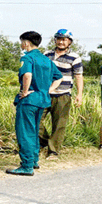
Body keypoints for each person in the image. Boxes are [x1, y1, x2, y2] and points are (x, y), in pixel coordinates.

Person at [6, 31, 63, 176]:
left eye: (21, 42)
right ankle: (34, 161)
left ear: (26, 43)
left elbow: (27, 74)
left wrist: (25, 91)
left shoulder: (27, 58)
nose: (21, 45)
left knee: (25, 132)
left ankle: (26, 165)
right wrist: (47, 90)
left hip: (29, 100)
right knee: (34, 131)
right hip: (43, 100)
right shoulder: (46, 60)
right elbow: (59, 77)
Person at [39, 29, 83, 160]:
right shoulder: (47, 55)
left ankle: (53, 151)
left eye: (64, 39)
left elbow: (79, 76)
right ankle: (45, 142)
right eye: (59, 39)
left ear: (69, 42)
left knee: (59, 125)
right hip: (46, 93)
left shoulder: (74, 57)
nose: (61, 42)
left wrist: (79, 94)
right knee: (36, 120)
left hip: (63, 95)